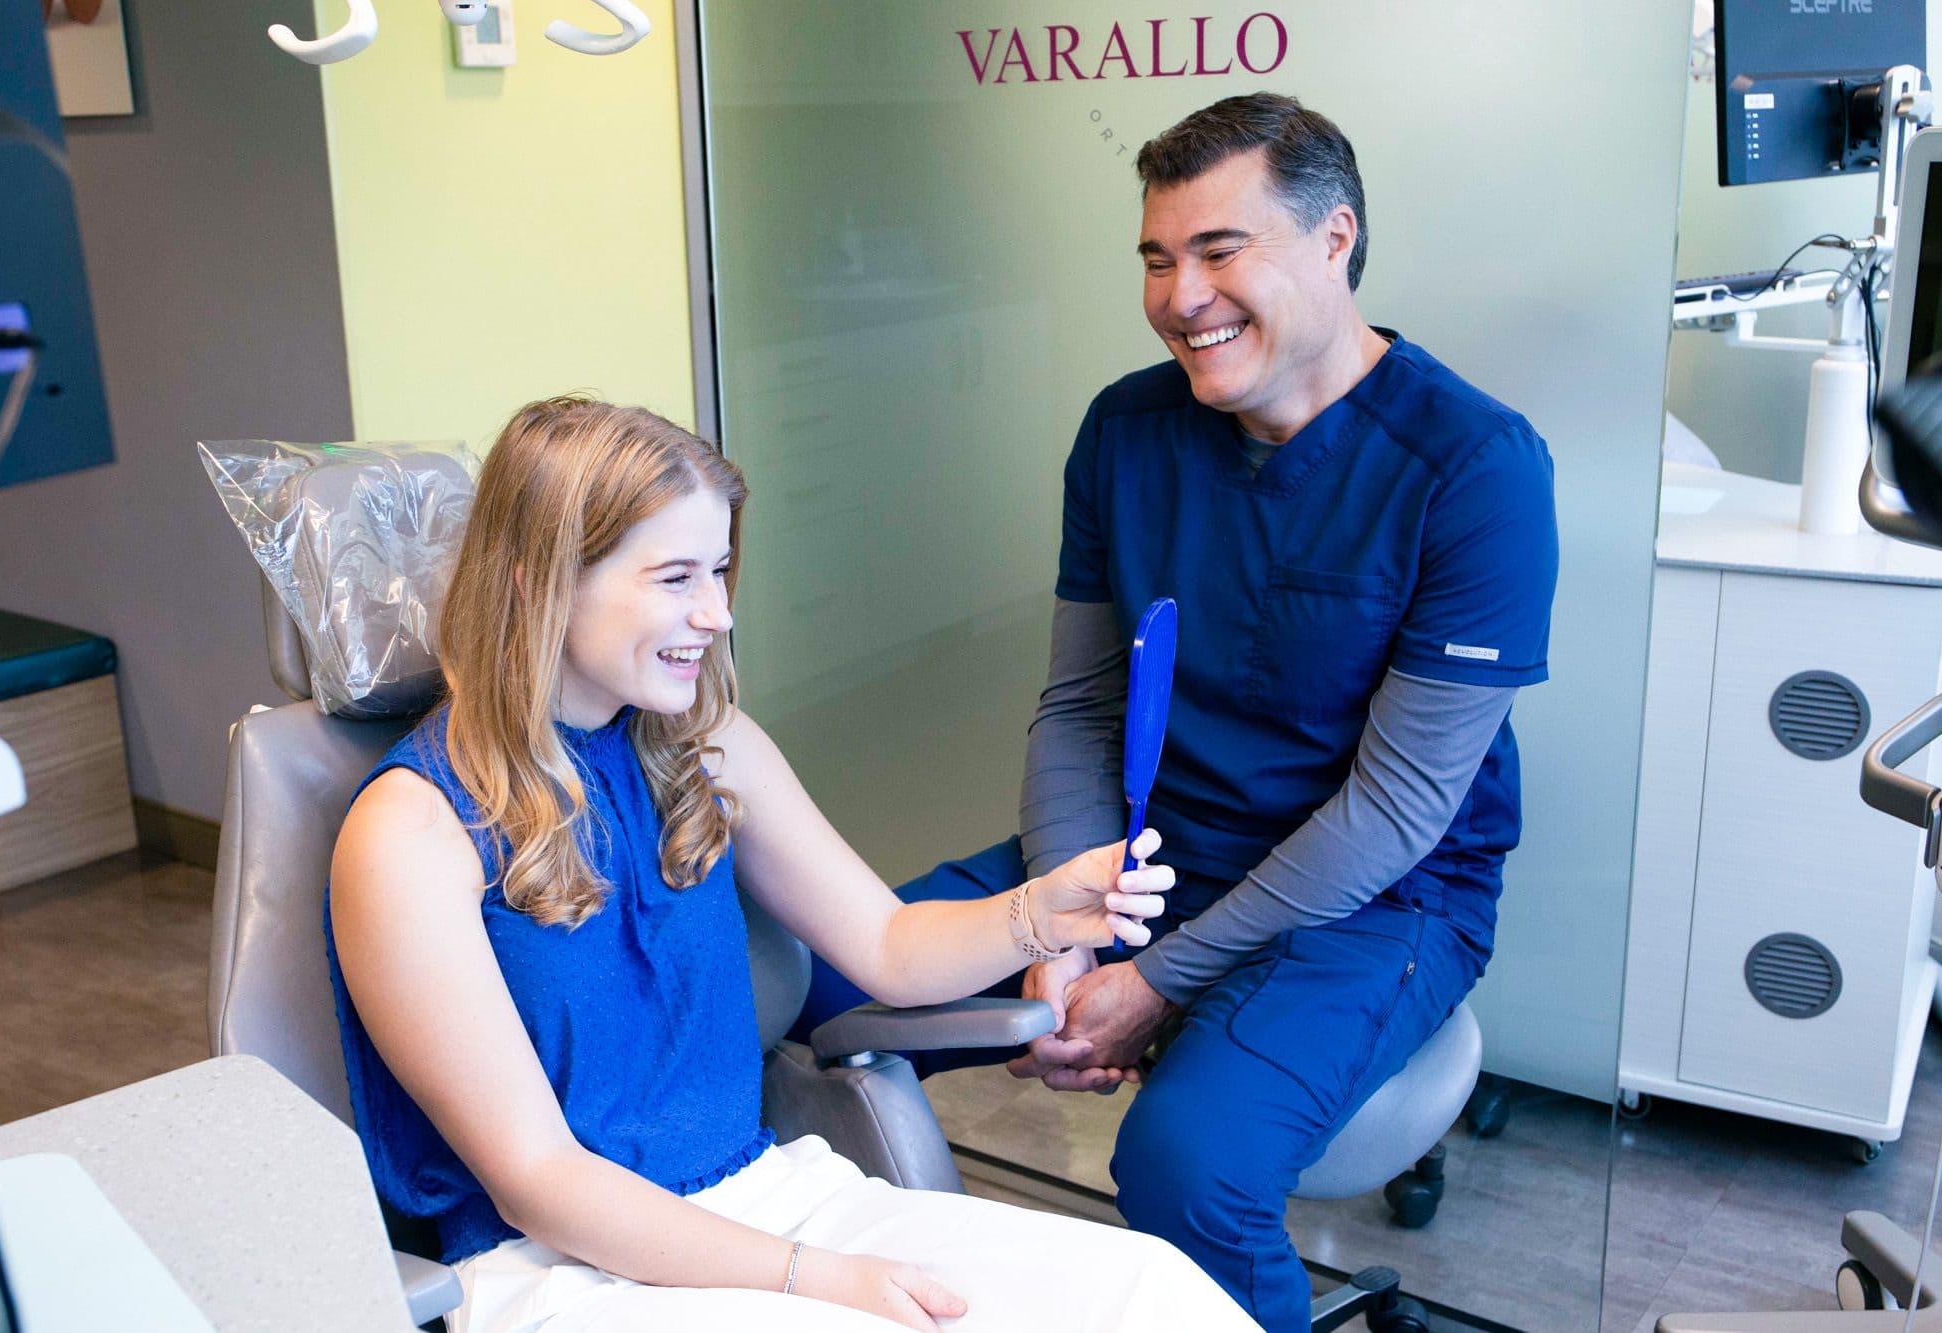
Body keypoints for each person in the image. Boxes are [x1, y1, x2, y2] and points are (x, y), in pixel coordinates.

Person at [794, 92, 1559, 1329]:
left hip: (1379, 901)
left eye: (1217, 250)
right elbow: (1080, 708)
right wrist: (1063, 926)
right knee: (812, 988)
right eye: (1155, 258)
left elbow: (1398, 809)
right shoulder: (1125, 430)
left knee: (1186, 1167)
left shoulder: (1473, 469)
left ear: (1333, 240)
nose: (1178, 295)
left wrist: (1148, 978)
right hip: (1150, 856)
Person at [325, 396, 1262, 1333]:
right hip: (566, 1269)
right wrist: (817, 1278)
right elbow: (540, 1182)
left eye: (722, 569)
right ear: (539, 582)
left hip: (773, 1197)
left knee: (1146, 1289)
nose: (717, 612)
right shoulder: (411, 832)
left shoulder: (702, 746)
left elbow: (889, 946)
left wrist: (1040, 912)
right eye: (676, 576)